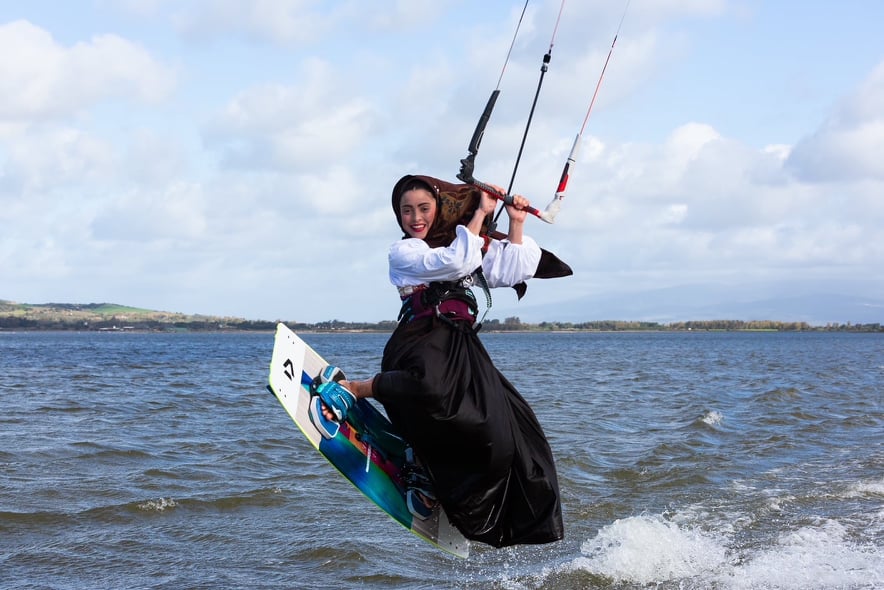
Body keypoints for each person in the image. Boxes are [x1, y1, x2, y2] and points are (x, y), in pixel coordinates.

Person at [311, 174, 564, 548]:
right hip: (420, 341)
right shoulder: (406, 252)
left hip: (461, 348)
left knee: (503, 435)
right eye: (407, 210)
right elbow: (454, 263)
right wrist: (479, 213)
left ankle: (429, 468)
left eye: (424, 209)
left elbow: (513, 269)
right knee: (431, 387)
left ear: (438, 209)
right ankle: (353, 389)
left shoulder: (463, 242)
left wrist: (515, 220)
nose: (415, 217)